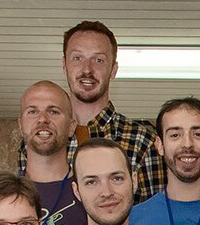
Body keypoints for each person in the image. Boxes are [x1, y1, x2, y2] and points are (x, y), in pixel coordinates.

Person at [61, 19, 161, 204]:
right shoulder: (40, 140)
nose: (87, 69)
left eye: (98, 60)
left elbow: (152, 217)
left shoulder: (143, 141)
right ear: (64, 66)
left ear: (113, 70)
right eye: (77, 58)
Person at [130, 96, 200, 225]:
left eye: (198, 134)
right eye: (175, 135)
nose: (187, 144)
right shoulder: (134, 220)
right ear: (160, 145)